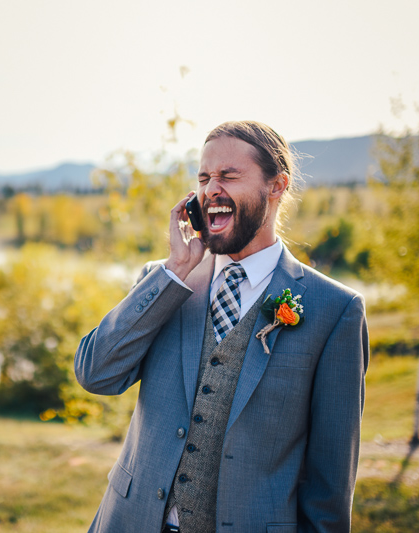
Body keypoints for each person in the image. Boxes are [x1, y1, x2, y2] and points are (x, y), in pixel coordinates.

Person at [75, 120, 369, 533]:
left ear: (277, 186)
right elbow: (96, 374)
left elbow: (330, 485)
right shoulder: (164, 281)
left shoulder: (335, 310)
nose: (212, 189)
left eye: (229, 176)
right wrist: (175, 269)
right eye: (204, 177)